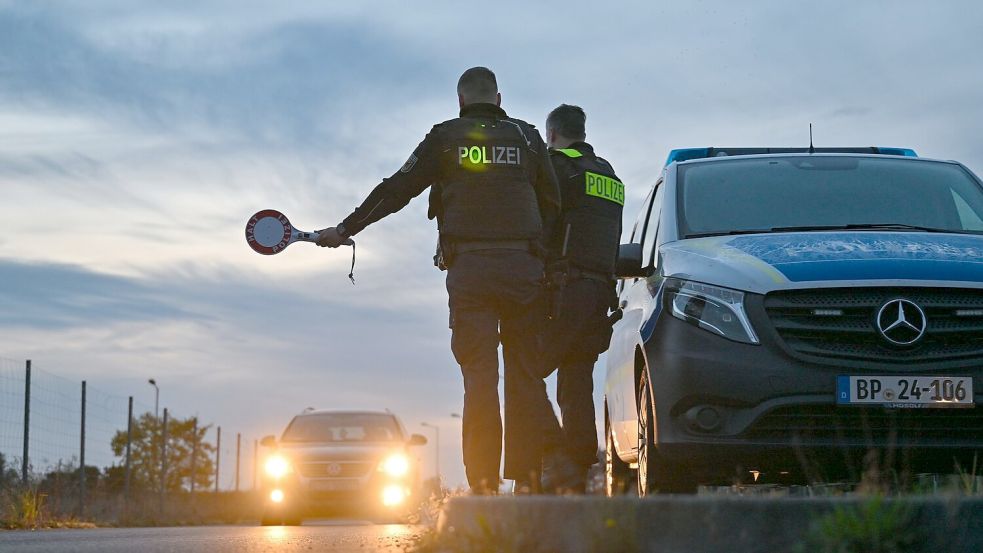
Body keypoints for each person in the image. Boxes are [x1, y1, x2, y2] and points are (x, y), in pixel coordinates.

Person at [316, 67, 561, 494]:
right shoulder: (527, 137)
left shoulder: (445, 136)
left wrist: (346, 229)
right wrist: (541, 259)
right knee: (525, 376)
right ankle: (528, 481)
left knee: (479, 378)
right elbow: (552, 202)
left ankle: (483, 485)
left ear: (461, 101)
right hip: (524, 270)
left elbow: (397, 188)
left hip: (470, 273)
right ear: (498, 99)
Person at [540, 104, 625, 493]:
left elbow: (543, 226)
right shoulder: (609, 174)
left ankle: (555, 461)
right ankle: (575, 471)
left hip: (563, 291)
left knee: (528, 371)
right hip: (599, 295)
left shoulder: (558, 167)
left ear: (553, 134)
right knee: (576, 384)